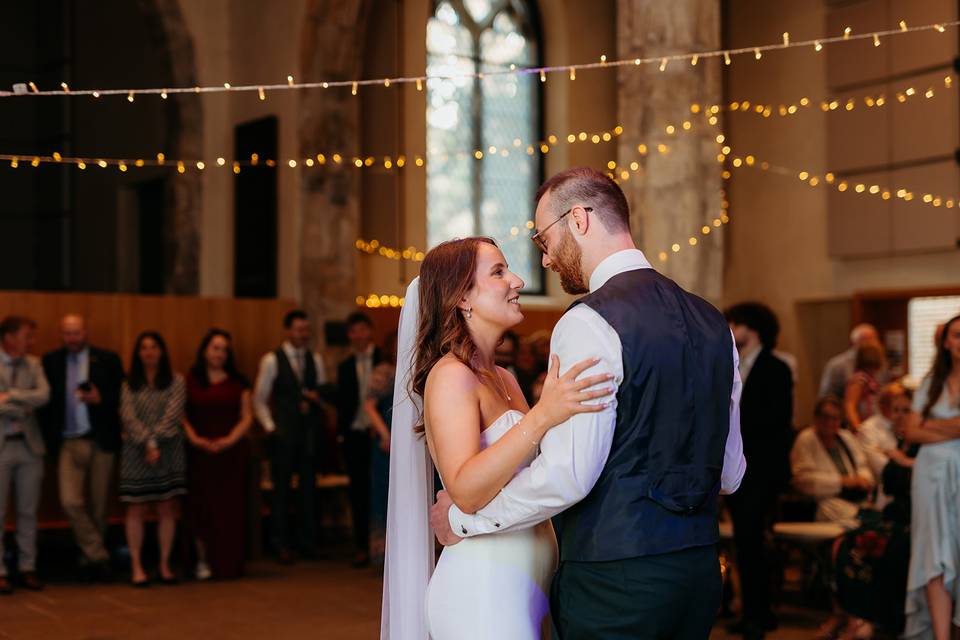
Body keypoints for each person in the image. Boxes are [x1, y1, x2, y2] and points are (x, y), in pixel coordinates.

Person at [384, 168, 747, 639]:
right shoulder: (713, 321)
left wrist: (462, 519)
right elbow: (731, 471)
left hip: (613, 576)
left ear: (578, 220)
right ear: (461, 299)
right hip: (696, 572)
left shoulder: (588, 322)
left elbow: (568, 475)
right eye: (500, 270)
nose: (544, 261)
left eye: (543, 239)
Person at [724, 302, 794, 639]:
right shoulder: (735, 366)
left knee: (754, 541)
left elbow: (776, 422)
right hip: (741, 468)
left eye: (734, 324)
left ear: (751, 328)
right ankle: (751, 609)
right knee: (744, 542)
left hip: (762, 471)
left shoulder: (776, 368)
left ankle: (759, 613)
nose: (730, 330)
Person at [40, 314, 124, 582]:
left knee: (99, 506)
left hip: (101, 439)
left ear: (85, 332)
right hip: (68, 441)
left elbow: (123, 396)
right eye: (67, 333)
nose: (72, 338)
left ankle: (91, 562)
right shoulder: (51, 361)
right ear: (61, 335)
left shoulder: (107, 359)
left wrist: (102, 398)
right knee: (70, 501)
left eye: (76, 333)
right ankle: (99, 554)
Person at [253, 309, 328, 564]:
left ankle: (308, 542)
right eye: (298, 330)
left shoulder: (314, 359)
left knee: (309, 490)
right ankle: (280, 543)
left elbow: (321, 392)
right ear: (287, 331)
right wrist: (270, 427)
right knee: (281, 491)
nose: (303, 335)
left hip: (307, 434)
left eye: (306, 330)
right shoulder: (272, 360)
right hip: (283, 434)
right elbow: (259, 399)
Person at [903, 315, 960, 640]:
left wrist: (932, 427)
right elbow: (911, 430)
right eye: (957, 334)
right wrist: (954, 428)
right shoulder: (931, 382)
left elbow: (922, 428)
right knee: (935, 553)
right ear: (947, 341)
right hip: (930, 476)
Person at [183, 329, 253, 580]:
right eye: (215, 347)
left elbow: (247, 417)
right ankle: (202, 561)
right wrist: (195, 439)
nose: (219, 353)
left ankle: (228, 563)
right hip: (200, 454)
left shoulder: (239, 383)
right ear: (204, 350)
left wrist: (227, 441)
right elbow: (182, 416)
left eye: (224, 349)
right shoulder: (191, 380)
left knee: (228, 511)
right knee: (201, 509)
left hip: (230, 456)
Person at [119, 331, 187, 586]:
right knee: (135, 508)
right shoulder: (128, 383)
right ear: (138, 353)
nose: (149, 352)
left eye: (154, 347)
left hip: (168, 450)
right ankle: (137, 566)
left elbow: (173, 414)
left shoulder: (176, 381)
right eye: (144, 347)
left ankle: (164, 564)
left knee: (166, 507)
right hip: (136, 452)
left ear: (162, 351)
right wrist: (148, 443)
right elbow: (127, 415)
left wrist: (155, 442)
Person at [0, 316, 49, 594]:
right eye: (26, 336)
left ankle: (27, 567)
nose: (31, 342)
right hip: (2, 445)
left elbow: (44, 395)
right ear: (9, 337)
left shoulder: (34, 364)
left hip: (30, 446)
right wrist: (22, 404)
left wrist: (8, 397)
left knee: (28, 511)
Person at [336, 312, 382, 568]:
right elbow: (344, 403)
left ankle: (381, 544)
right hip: (355, 434)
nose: (359, 335)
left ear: (370, 331)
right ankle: (361, 546)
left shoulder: (382, 359)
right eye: (354, 331)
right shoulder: (344, 366)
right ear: (350, 335)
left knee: (379, 490)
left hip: (378, 434)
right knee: (358, 491)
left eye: (363, 329)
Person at [790, 396, 874, 528]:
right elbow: (803, 480)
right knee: (833, 508)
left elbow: (862, 465)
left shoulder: (846, 437)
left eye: (835, 418)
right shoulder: (806, 439)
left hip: (854, 498)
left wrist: (863, 479)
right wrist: (842, 481)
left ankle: (866, 520)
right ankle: (864, 519)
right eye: (825, 417)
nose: (830, 423)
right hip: (823, 503)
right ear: (816, 418)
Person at [365, 332, 397, 567]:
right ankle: (383, 553)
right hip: (388, 442)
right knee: (385, 495)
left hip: (413, 441)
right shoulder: (385, 371)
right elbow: (369, 406)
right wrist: (386, 435)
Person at [856, 383, 913, 509]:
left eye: (906, 410)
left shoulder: (915, 437)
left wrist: (904, 460)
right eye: (896, 409)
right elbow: (884, 471)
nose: (899, 415)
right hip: (890, 501)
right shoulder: (871, 428)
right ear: (883, 405)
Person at [819, 324, 880, 400]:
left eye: (873, 341)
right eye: (865, 341)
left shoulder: (881, 364)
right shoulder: (837, 365)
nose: (870, 346)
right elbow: (825, 399)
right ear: (854, 343)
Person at [844, 342, 886, 432]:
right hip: (862, 426)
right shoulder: (859, 379)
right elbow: (850, 405)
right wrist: (858, 428)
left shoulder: (871, 379)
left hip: (871, 426)